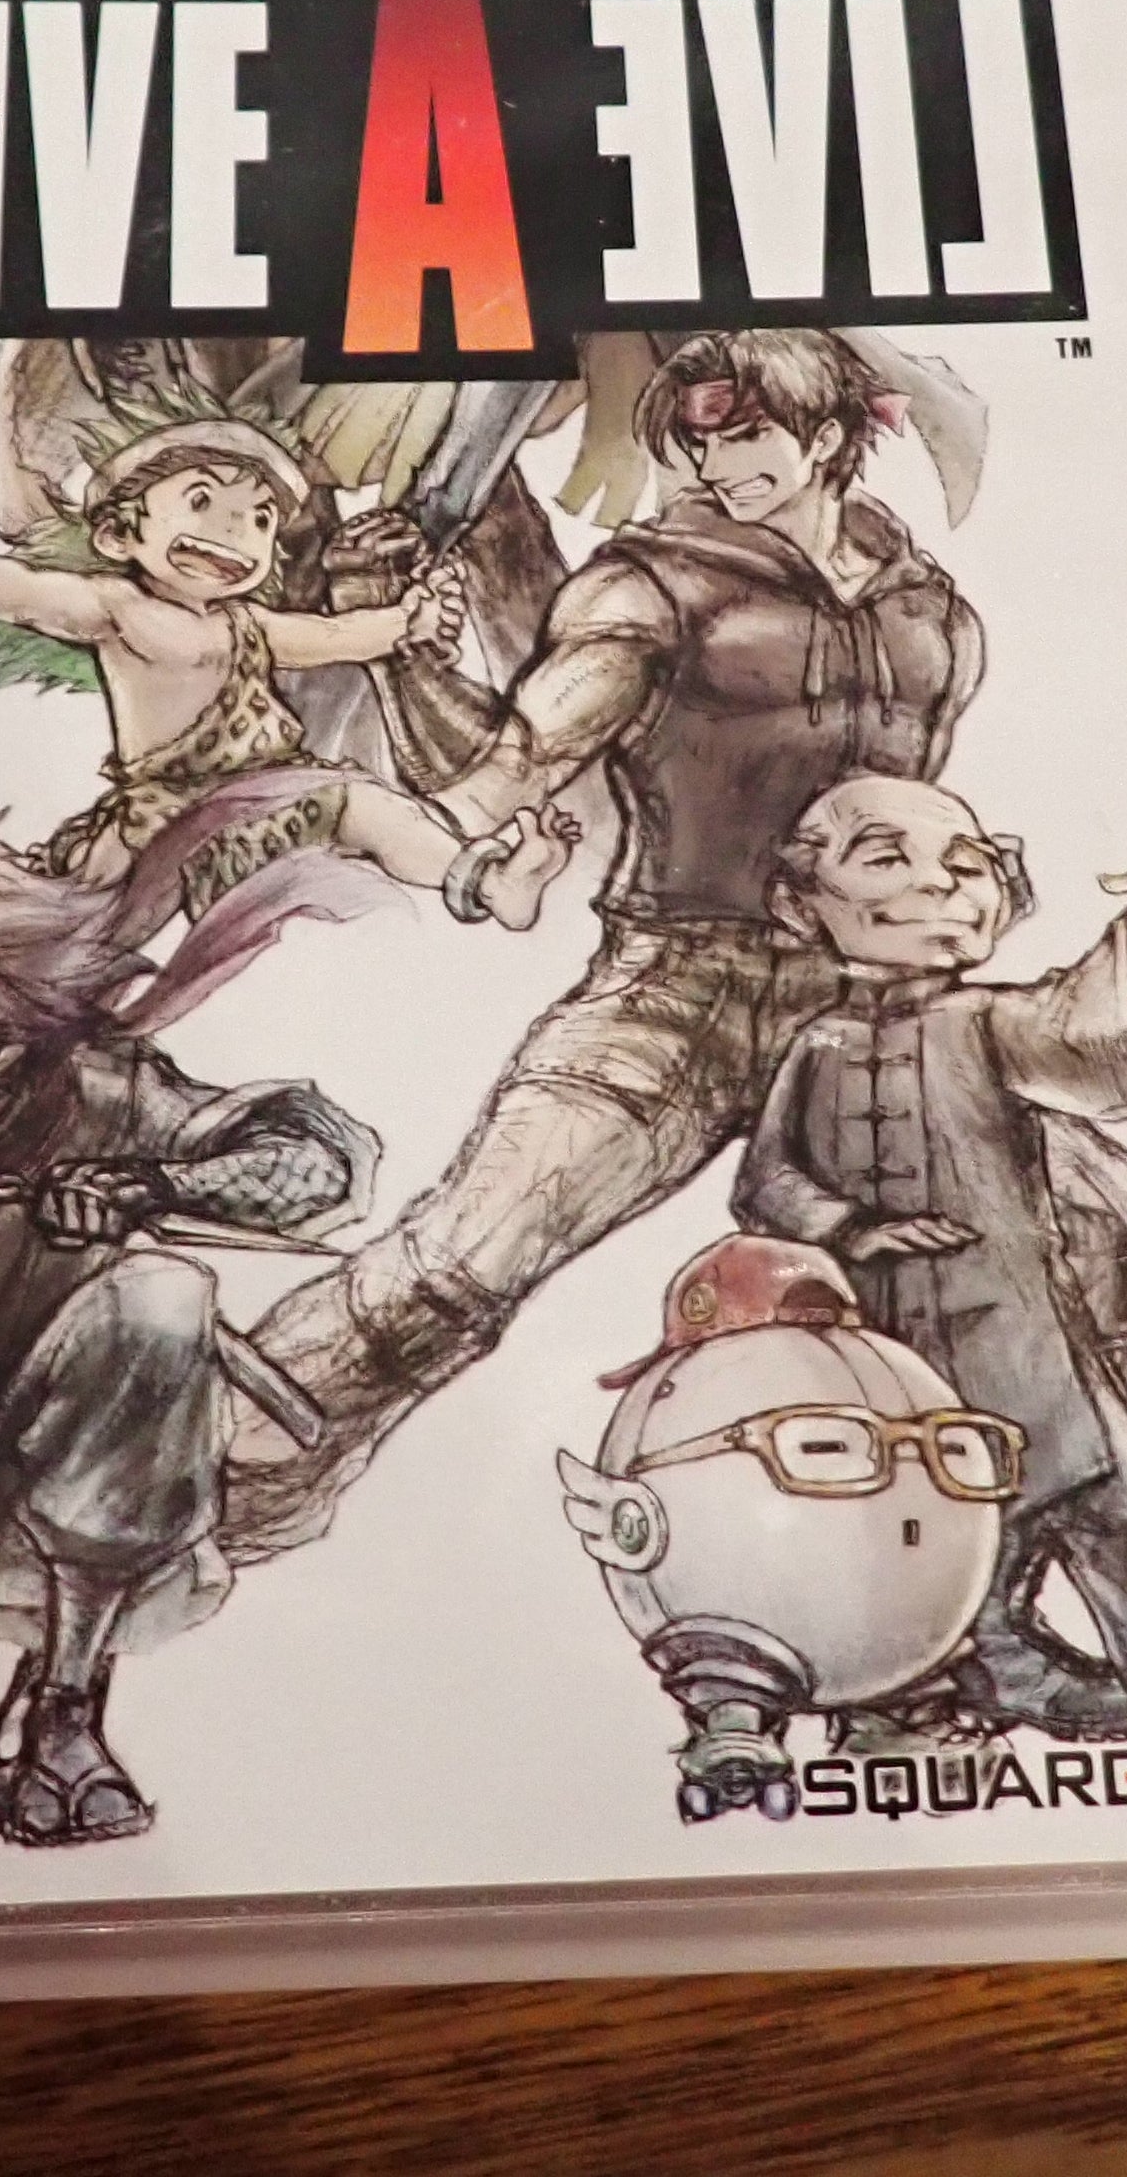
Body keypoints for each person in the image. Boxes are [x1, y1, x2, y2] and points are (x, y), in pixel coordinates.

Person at [224, 328, 986, 1553]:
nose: (718, 467)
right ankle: (198, 1487)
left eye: (748, 438)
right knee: (457, 1269)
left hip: (868, 1013)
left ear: (830, 436)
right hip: (677, 992)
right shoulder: (649, 589)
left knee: (1007, 1281)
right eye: (698, 445)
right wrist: (411, 695)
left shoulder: (929, 612)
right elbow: (515, 763)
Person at [0, 827, 381, 1855]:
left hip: (82, 1494)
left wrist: (156, 1185)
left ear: (38, 1024)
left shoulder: (95, 1091)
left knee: (162, 1297)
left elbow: (313, 1166)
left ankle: (61, 1712)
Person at [733, 773, 1127, 1743]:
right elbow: (766, 1179)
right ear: (802, 903)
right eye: (887, 859)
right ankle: (950, 1686)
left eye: (967, 867)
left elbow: (1085, 1034)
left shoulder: (984, 1023)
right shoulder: (814, 1046)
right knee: (922, 1529)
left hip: (1023, 1337)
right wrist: (847, 1226)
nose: (938, 886)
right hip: (886, 1358)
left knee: (1120, 1507)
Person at [0, 411, 574, 927]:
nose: (234, 531)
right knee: (82, 918)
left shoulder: (246, 624)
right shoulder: (119, 609)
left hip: (271, 797)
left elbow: (335, 636)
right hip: (165, 820)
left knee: (370, 809)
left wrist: (407, 622)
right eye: (202, 502)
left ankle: (488, 880)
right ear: (119, 534)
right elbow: (30, 597)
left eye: (260, 519)